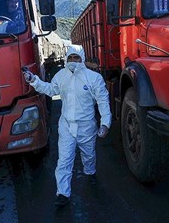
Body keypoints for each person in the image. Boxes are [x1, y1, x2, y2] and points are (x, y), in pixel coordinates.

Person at [23, 44, 112, 207]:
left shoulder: (93, 78)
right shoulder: (60, 76)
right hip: (66, 126)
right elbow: (50, 89)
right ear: (66, 59)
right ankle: (63, 193)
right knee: (64, 161)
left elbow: (103, 101)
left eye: (76, 58)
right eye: (70, 57)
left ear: (82, 59)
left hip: (87, 126)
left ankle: (90, 172)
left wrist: (105, 123)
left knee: (89, 155)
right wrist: (33, 80)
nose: (73, 61)